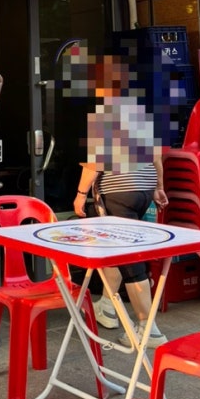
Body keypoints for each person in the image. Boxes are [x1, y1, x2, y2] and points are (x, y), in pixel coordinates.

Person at [71, 51, 169, 348]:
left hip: (119, 191)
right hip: (143, 190)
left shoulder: (104, 115)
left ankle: (148, 329)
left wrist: (80, 195)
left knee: (129, 260)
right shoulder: (139, 113)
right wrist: (158, 188)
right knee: (117, 248)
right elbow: (156, 157)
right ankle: (107, 306)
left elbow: (95, 163)